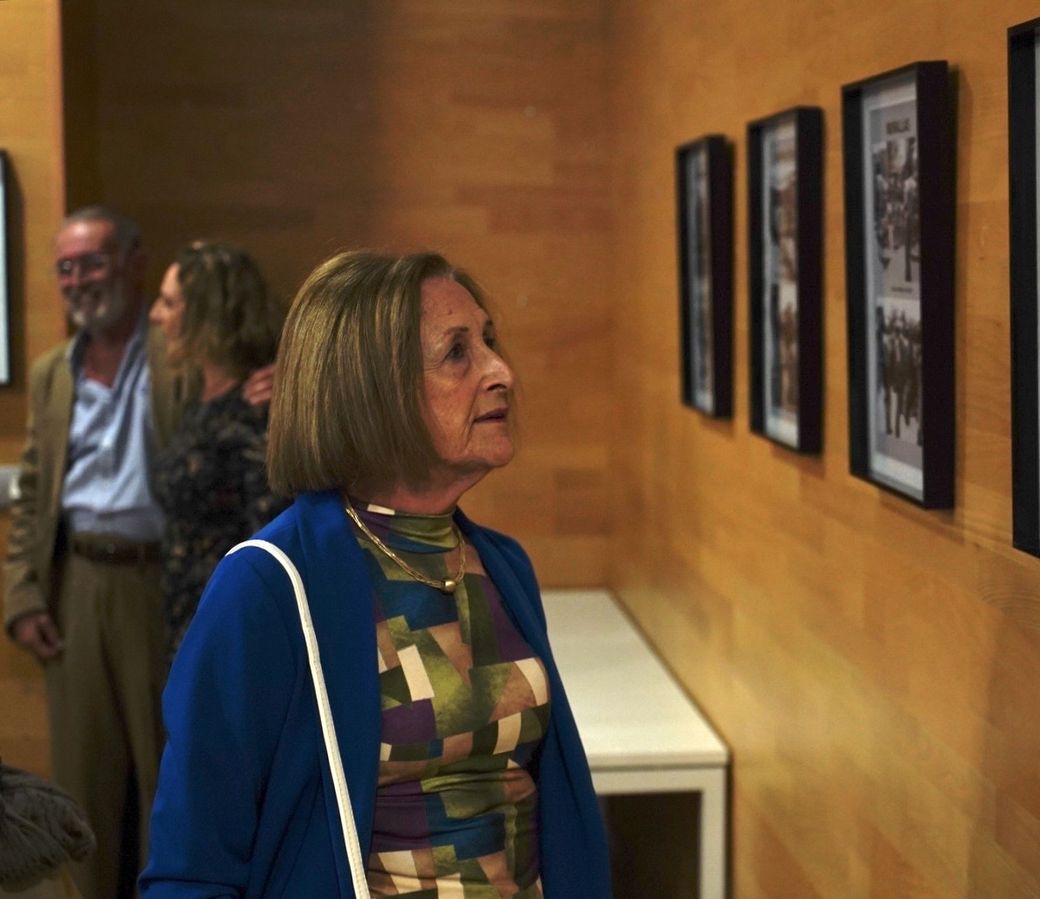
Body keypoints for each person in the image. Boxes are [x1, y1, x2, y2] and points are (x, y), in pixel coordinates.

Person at [142, 251, 611, 897]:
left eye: (490, 342)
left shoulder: (503, 563)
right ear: (372, 389)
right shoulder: (267, 588)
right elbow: (192, 865)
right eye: (457, 353)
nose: (501, 372)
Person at [2, 206, 270, 899]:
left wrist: (278, 379)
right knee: (81, 778)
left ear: (131, 263)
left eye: (90, 261)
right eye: (64, 267)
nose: (77, 279)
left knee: (169, 774)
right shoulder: (49, 372)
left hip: (167, 584)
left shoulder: (178, 353)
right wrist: (23, 591)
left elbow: (240, 375)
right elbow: (34, 487)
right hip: (80, 585)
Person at [147, 241, 289, 662]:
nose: (156, 315)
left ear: (207, 315)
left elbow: (269, 548)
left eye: (169, 303)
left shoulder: (258, 407)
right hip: (189, 623)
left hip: (233, 636)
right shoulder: (200, 395)